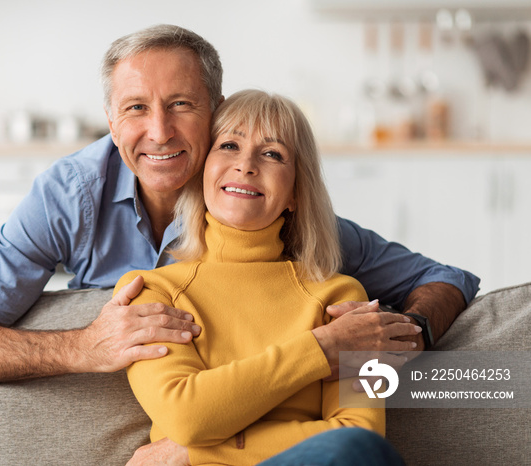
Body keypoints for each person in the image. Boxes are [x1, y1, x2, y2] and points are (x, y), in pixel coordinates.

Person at [0, 24, 478, 385]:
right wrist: (85, 346)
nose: (158, 132)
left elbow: (443, 277)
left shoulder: (254, 198)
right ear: (111, 122)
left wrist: (408, 333)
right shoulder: (69, 196)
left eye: (181, 104)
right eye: (135, 109)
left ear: (218, 108)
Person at [118, 89, 404, 466]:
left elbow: (360, 438)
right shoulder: (150, 293)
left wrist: (193, 451)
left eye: (272, 154)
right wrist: (320, 348)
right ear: (204, 170)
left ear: (295, 193)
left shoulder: (342, 299)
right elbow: (187, 417)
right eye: (229, 146)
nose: (246, 165)